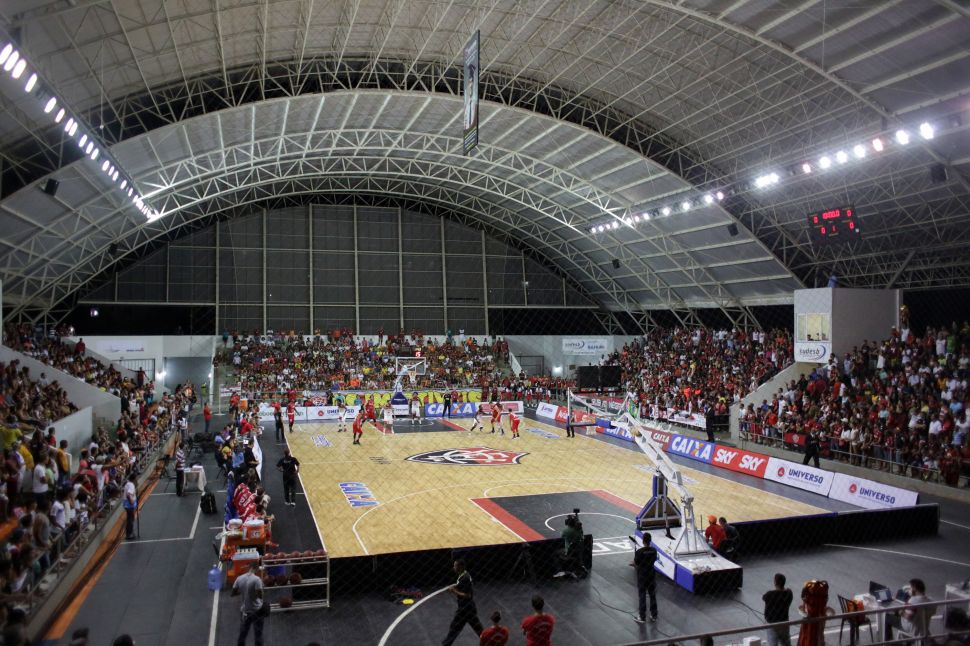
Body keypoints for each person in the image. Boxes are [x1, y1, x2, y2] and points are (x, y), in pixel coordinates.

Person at [442, 559, 483, 646]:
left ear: (460, 567)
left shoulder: (465, 578)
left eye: (455, 566)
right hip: (469, 608)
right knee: (478, 628)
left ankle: (446, 644)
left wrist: (454, 591)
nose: (453, 567)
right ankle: (488, 641)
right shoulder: (464, 575)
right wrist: (456, 586)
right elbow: (462, 585)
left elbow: (468, 595)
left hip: (464, 609)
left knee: (454, 627)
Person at [232, 560, 267, 646]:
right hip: (257, 611)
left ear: (249, 568)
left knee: (243, 634)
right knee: (258, 635)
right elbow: (260, 596)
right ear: (257, 569)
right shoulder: (257, 579)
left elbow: (233, 593)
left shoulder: (239, 578)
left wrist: (244, 592)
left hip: (245, 611)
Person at [632, 534, 658, 623]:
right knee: (652, 594)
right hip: (651, 575)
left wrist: (634, 564)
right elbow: (653, 560)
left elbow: (636, 563)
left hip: (642, 576)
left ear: (643, 541)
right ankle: (654, 615)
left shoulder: (639, 552)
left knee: (642, 595)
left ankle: (642, 616)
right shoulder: (654, 551)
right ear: (650, 541)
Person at [762, 573, 793, 646]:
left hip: (772, 623)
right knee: (786, 643)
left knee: (772, 643)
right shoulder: (789, 593)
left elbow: (764, 597)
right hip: (784, 621)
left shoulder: (770, 594)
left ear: (775, 583)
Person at [123, 473, 137, 539]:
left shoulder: (128, 484)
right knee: (131, 519)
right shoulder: (131, 485)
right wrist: (131, 501)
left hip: (127, 504)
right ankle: (129, 534)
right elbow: (128, 494)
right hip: (129, 505)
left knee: (129, 519)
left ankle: (129, 533)